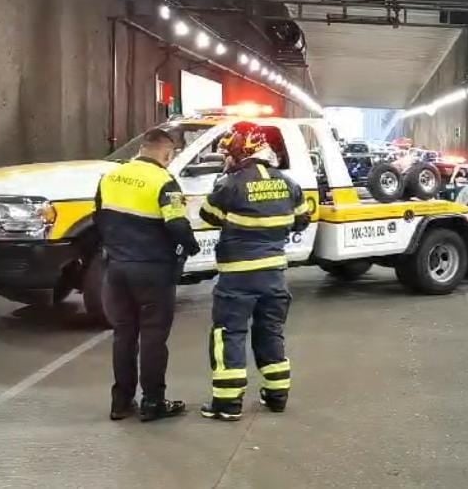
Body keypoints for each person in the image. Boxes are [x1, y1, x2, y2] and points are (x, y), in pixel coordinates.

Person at [199, 122, 311, 421]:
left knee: (229, 334)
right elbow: (302, 220)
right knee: (270, 332)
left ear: (241, 152)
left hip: (237, 277)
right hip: (274, 275)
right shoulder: (287, 182)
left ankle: (227, 403)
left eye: (229, 153)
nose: (228, 158)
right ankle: (277, 396)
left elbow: (208, 215)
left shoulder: (230, 184)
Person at [95, 128, 200, 422]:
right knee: (153, 336)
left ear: (142, 149)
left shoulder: (110, 177)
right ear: (167, 153)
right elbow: (177, 225)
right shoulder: (165, 182)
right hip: (153, 270)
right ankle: (153, 402)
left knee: (123, 334)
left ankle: (120, 402)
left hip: (116, 268)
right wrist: (190, 248)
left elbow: (97, 218)